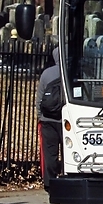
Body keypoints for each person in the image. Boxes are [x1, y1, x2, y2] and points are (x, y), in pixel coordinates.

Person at [36, 46, 63, 191]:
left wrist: (40, 116)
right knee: (68, 152)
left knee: (49, 153)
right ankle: (67, 178)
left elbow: (39, 99)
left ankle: (49, 182)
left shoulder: (46, 74)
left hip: (48, 120)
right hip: (66, 119)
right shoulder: (71, 71)